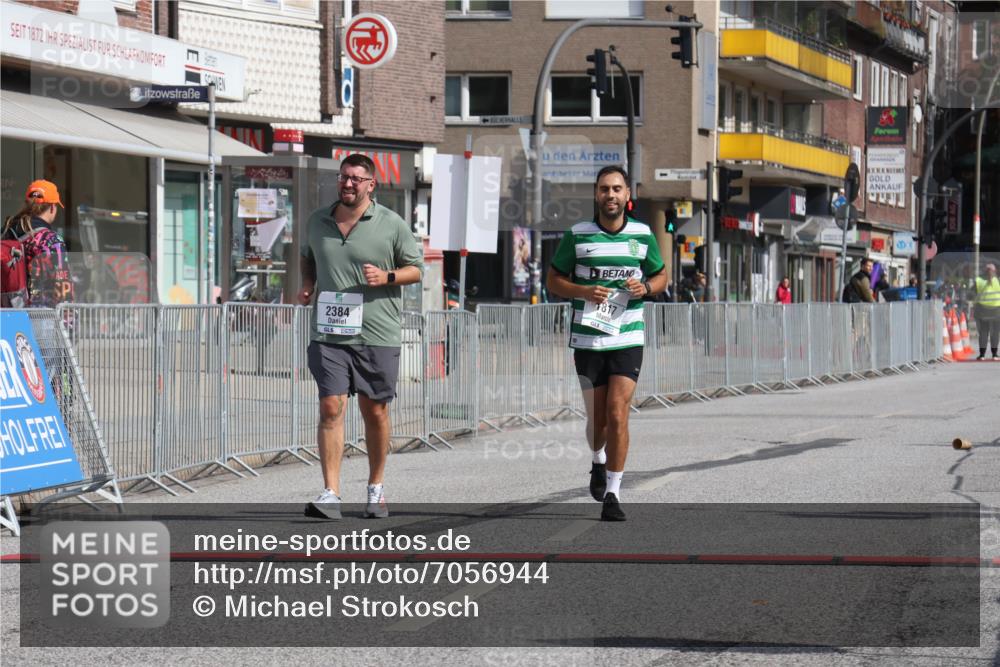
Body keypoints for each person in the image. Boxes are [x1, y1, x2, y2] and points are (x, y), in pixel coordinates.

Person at [298, 154, 424, 520]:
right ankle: (331, 493)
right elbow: (308, 256)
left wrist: (386, 277)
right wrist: (307, 283)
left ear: (371, 184)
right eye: (343, 177)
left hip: (376, 333)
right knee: (330, 406)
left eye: (356, 178)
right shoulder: (318, 220)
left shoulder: (391, 223)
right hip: (329, 332)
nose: (348, 183)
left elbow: (416, 269)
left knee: (375, 410)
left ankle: (376, 488)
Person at [546, 165, 667, 521]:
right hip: (588, 339)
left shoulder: (642, 234)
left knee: (617, 412)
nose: (610, 195)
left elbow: (661, 275)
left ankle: (613, 493)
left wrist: (646, 287)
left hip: (628, 335)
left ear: (627, 194)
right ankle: (598, 459)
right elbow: (554, 280)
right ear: (596, 194)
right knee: (597, 421)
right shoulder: (578, 235)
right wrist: (583, 291)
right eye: (604, 189)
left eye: (616, 189)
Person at [2, 180, 73, 309]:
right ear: (52, 207)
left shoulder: (6, 231)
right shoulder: (51, 240)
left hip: (6, 315)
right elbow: (62, 287)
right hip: (39, 317)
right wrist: (69, 318)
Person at [971, 263, 1000, 360]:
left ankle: (983, 355)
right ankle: (994, 355)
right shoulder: (998, 280)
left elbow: (971, 293)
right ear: (995, 271)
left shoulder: (979, 281)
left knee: (984, 332)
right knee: (994, 333)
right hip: (995, 311)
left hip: (984, 311)